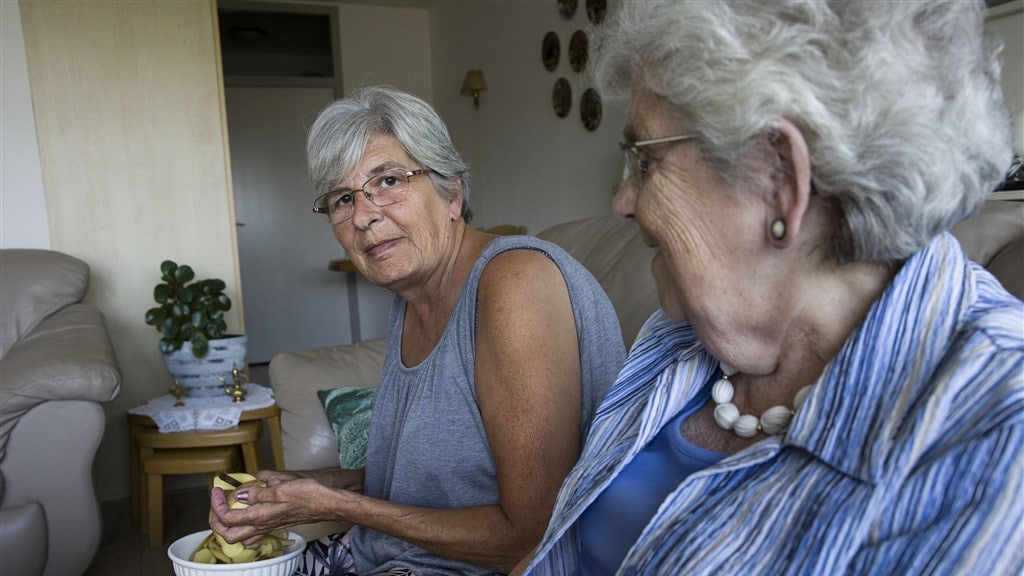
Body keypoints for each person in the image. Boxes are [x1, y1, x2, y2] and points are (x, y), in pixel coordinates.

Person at [516, 1, 1024, 575]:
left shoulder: (1000, 437)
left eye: (645, 162)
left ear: (779, 178)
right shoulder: (680, 333)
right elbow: (558, 551)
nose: (622, 202)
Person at [208, 86, 625, 576]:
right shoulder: (414, 297)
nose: (363, 216)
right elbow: (444, 482)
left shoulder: (516, 284)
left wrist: (334, 506)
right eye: (343, 198)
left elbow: (533, 537)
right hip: (386, 555)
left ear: (453, 193)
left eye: (388, 180)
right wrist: (313, 485)